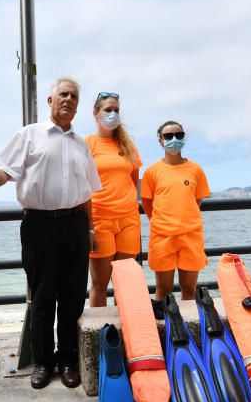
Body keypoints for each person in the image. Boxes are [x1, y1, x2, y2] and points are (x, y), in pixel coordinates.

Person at [0, 77, 101, 389]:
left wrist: (91, 229)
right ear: (50, 100)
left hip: (74, 227)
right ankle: (43, 362)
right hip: (39, 225)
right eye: (63, 94)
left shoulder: (81, 144)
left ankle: (69, 359)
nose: (68, 100)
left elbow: (87, 194)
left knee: (73, 299)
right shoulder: (30, 135)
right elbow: (6, 171)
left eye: (74, 96)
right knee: (42, 299)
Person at [140, 120, 210, 312]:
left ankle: (187, 330)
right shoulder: (152, 172)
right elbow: (147, 203)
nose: (174, 140)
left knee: (189, 289)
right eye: (169, 136)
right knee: (163, 289)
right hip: (162, 237)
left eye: (179, 135)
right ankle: (163, 328)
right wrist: (160, 222)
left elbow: (196, 200)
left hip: (191, 236)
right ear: (160, 141)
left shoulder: (196, 170)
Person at [84, 92, 142, 308]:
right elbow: (82, 183)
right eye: (108, 110)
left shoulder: (127, 145)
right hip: (100, 220)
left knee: (125, 283)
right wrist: (88, 226)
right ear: (96, 114)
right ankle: (100, 334)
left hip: (128, 219)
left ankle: (125, 330)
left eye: (116, 110)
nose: (113, 114)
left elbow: (133, 179)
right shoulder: (87, 143)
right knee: (100, 284)